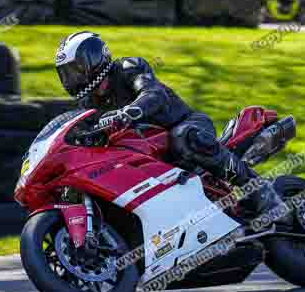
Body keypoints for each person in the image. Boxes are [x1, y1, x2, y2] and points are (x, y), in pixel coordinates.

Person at [54, 31, 291, 226]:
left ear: (94, 59)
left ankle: (262, 192)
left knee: (184, 137)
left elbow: (153, 93)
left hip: (186, 125)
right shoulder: (87, 105)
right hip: (149, 152)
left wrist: (128, 112)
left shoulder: (128, 67)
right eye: (66, 74)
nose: (70, 79)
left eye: (74, 70)